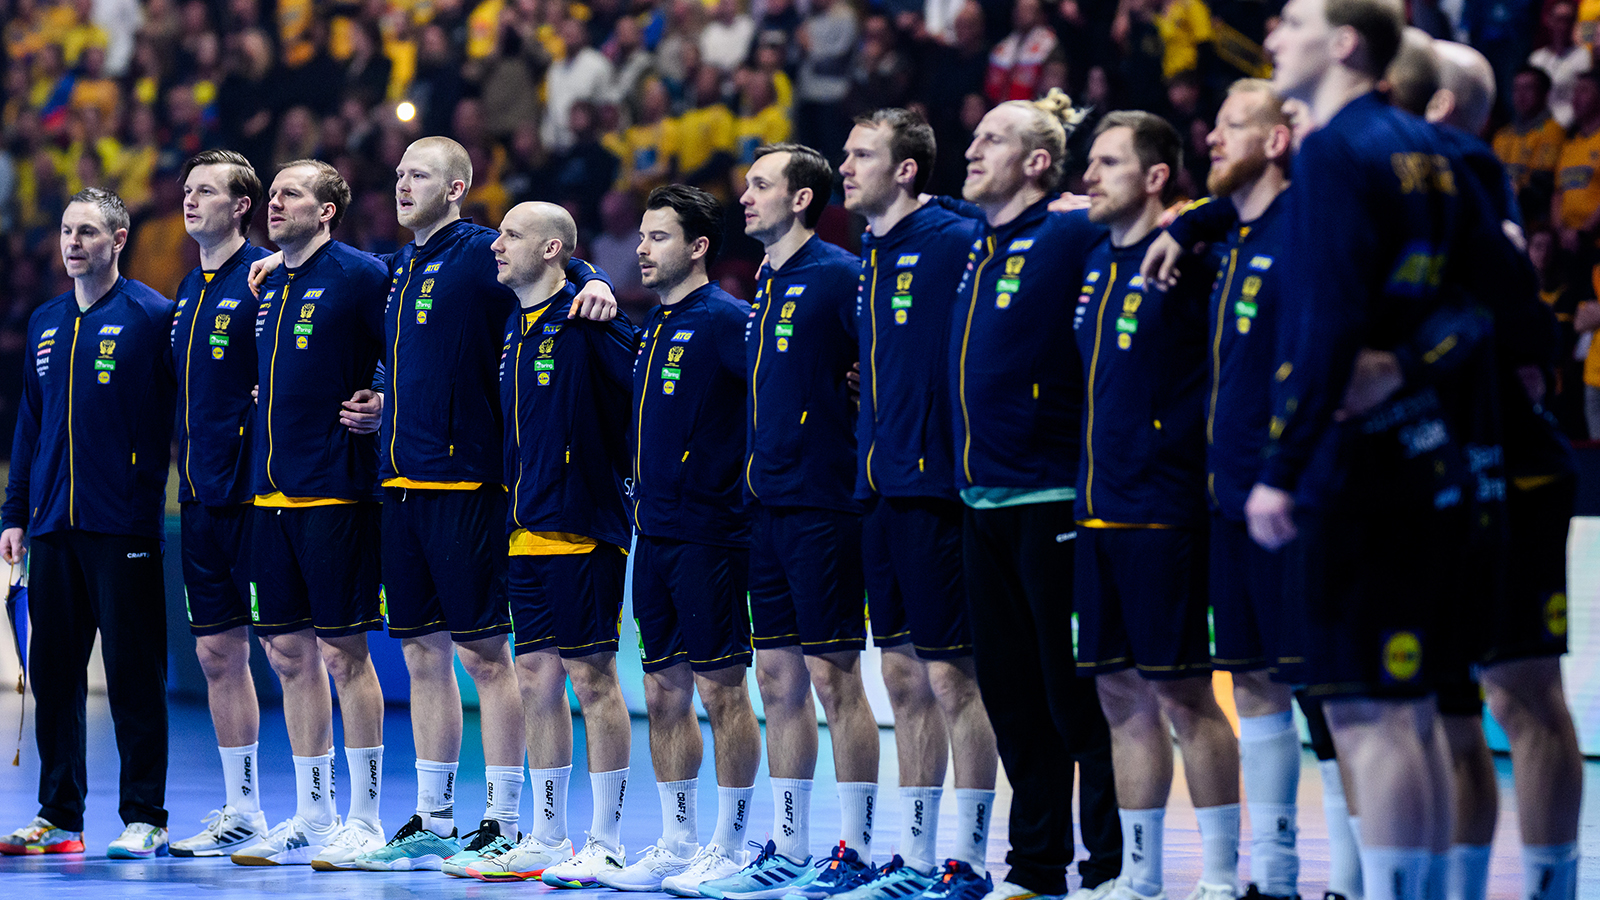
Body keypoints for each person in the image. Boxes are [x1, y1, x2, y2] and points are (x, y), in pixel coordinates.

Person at [1252, 3, 1511, 898]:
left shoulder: (1333, 149)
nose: (1273, 35)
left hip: (1357, 466)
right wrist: (1409, 365)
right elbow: (1495, 297)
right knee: (1416, 712)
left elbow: (1327, 322)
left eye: (1293, 21)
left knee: (1369, 715)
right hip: (1433, 455)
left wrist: (1281, 468)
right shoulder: (1432, 148)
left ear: (1345, 43)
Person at [351, 137, 616, 876]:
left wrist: (596, 279)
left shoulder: (480, 252)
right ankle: (435, 819)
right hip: (400, 485)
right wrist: (381, 397)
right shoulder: (397, 269)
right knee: (420, 654)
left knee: (485, 657)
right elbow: (405, 354)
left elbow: (554, 262)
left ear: (458, 187)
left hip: (468, 486)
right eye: (399, 174)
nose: (403, 185)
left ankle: (501, 820)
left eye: (420, 175)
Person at [947, 90, 1124, 900]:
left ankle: (1112, 865)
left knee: (1074, 699)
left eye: (993, 139)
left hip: (1052, 499)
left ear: (1038, 161)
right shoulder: (976, 242)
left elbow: (1168, 215)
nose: (972, 149)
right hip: (978, 502)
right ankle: (1035, 866)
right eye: (976, 137)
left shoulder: (1071, 229)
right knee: (1012, 701)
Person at [699, 142, 879, 900]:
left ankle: (857, 849)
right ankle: (791, 846)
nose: (745, 197)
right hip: (764, 506)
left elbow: (889, 359)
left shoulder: (839, 275)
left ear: (802, 198)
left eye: (761, 185)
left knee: (836, 679)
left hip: (823, 505)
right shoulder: (765, 281)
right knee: (776, 680)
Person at [1141, 80, 1304, 900]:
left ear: (1277, 140)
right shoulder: (1228, 237)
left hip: (1296, 498)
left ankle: (1350, 880)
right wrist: (1190, 223)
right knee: (1250, 680)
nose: (1210, 137)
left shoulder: (1304, 224)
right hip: (1228, 496)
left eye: (1232, 125)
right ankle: (1271, 876)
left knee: (1332, 696)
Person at [1071, 111, 1240, 900]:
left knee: (1183, 693)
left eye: (1108, 163)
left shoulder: (1194, 260)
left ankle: (1223, 877)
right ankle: (1139, 878)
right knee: (1117, 696)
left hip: (1165, 510)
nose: (1089, 176)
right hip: (1096, 510)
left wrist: (1194, 221)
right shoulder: (1094, 263)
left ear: (1157, 176)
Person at [836, 107, 1002, 900]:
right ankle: (914, 855)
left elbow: (1006, 223)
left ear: (906, 170)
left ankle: (969, 860)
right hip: (877, 487)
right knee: (901, 680)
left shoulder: (954, 235)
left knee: (954, 681)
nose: (844, 166)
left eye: (860, 154)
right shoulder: (870, 251)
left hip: (936, 489)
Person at [0, 188, 176, 859]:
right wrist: (16, 514)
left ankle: (146, 816)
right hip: (51, 526)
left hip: (123, 525)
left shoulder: (151, 316)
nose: (73, 243)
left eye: (88, 232)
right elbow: (31, 425)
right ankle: (59, 818)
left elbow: (184, 410)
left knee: (133, 675)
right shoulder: (45, 322)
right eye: (67, 231)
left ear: (119, 239)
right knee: (53, 676)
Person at [228, 160, 390, 867]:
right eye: (272, 193)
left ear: (326, 211)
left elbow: (406, 348)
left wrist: (383, 397)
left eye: (290, 193)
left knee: (343, 655)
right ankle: (314, 815)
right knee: (288, 655)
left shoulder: (361, 274)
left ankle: (367, 819)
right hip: (269, 497)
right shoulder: (269, 281)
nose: (274, 202)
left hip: (334, 493)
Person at [603, 184, 763, 895]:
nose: (642, 249)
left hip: (712, 535)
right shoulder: (652, 326)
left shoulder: (728, 320)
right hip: (655, 532)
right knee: (662, 691)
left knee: (722, 690)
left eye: (658, 236)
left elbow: (775, 399)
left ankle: (732, 846)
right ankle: (677, 842)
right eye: (641, 236)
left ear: (698, 247)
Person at [477, 201, 639, 887]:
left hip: (582, 526)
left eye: (511, 235)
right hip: (524, 530)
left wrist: (594, 280)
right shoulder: (514, 326)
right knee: (535, 679)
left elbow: (640, 400)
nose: (496, 244)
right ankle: (547, 835)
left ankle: (607, 841)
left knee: (592, 679)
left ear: (551, 249)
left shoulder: (590, 318)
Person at [166, 150, 275, 858]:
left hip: (258, 495)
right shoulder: (187, 288)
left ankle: (324, 813)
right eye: (187, 189)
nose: (190, 199)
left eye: (205, 190)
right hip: (200, 496)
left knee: (291, 652)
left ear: (240, 206)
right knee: (215, 653)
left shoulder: (266, 275)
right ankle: (243, 810)